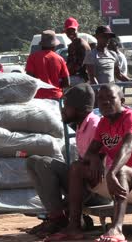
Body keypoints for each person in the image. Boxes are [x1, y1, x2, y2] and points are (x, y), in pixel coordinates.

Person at [44, 84, 132, 242]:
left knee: (120, 170)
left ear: (121, 100)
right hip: (122, 184)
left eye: (111, 98)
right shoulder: (103, 124)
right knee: (76, 168)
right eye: (101, 99)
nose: (105, 102)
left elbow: (127, 148)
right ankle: (74, 227)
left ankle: (116, 229)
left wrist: (112, 172)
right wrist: (95, 158)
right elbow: (89, 153)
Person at [26, 83, 108, 238]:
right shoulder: (81, 125)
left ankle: (58, 218)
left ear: (80, 109)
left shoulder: (94, 126)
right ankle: (57, 217)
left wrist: (69, 204)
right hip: (83, 183)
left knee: (44, 163)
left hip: (97, 190)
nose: (63, 110)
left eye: (67, 106)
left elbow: (97, 174)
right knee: (33, 161)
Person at [26, 30, 70, 100]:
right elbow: (67, 82)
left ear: (41, 45)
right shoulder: (60, 59)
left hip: (38, 97)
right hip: (56, 96)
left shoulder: (32, 57)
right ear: (54, 45)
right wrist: (56, 86)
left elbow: (29, 79)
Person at [64, 17, 91, 86]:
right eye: (68, 31)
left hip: (83, 77)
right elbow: (69, 64)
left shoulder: (81, 44)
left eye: (73, 30)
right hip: (75, 76)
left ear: (77, 29)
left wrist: (65, 74)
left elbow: (79, 66)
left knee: (60, 82)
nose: (71, 33)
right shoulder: (71, 46)